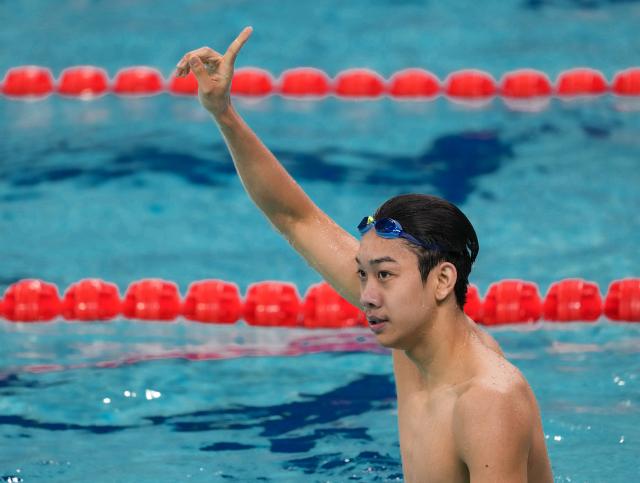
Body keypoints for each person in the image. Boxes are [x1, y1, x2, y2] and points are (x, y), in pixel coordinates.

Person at [175, 27, 554, 483]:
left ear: (442, 280)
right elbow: (295, 217)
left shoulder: (486, 403)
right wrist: (224, 113)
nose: (367, 296)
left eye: (385, 275)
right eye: (363, 274)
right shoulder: (412, 336)